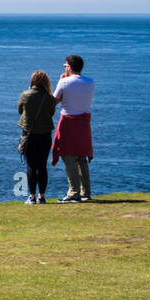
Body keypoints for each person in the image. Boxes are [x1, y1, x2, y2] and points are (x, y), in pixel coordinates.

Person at [51, 54, 94, 202]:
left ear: (69, 67)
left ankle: (73, 192)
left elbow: (54, 101)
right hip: (84, 122)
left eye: (65, 66)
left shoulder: (64, 82)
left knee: (68, 155)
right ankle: (85, 192)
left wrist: (61, 81)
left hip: (68, 122)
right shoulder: (90, 82)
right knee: (81, 157)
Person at [17, 70, 57, 204]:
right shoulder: (50, 98)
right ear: (46, 82)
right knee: (42, 166)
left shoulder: (25, 95)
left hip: (29, 135)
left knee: (31, 166)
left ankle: (32, 196)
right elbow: (51, 113)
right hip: (45, 135)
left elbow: (20, 110)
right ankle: (42, 196)